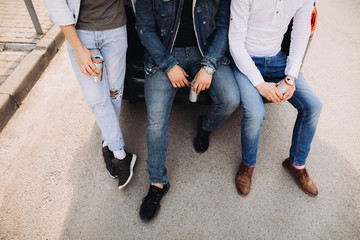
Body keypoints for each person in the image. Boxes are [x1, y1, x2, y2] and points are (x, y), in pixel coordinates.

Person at [135, 0, 240, 221]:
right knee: (155, 123)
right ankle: (157, 183)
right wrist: (168, 64)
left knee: (230, 99)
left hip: (205, 51)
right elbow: (144, 28)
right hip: (164, 54)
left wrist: (209, 65)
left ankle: (205, 126)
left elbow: (223, 26)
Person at [229, 0, 322, 197]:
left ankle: (296, 164)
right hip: (245, 60)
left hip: (277, 59)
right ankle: (248, 165)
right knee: (255, 113)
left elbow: (301, 31)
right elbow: (235, 42)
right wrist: (259, 83)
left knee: (313, 105)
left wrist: (291, 76)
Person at [44, 0, 136, 190]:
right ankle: (120, 154)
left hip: (116, 29)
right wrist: (78, 50)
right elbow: (56, 5)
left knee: (114, 94)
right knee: (96, 100)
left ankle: (108, 138)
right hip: (81, 34)